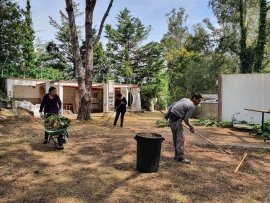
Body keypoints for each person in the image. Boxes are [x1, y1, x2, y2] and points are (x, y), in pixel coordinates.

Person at [167, 93, 202, 164]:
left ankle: (177, 155)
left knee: (176, 137)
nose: (199, 102)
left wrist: (168, 114)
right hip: (175, 120)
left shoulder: (185, 99)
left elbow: (173, 104)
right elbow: (186, 119)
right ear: (194, 98)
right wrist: (191, 127)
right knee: (181, 137)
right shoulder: (192, 106)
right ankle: (181, 157)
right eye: (198, 100)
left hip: (171, 118)